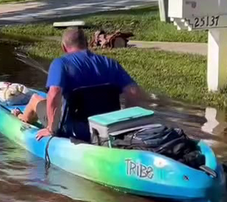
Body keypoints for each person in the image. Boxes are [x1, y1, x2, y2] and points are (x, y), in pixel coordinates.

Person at [12, 27, 144, 141]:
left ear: (64, 47)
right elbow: (134, 92)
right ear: (87, 44)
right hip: (107, 127)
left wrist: (51, 129)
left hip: (75, 131)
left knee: (35, 99)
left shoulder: (61, 64)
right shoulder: (110, 63)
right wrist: (124, 124)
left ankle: (22, 118)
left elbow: (54, 94)